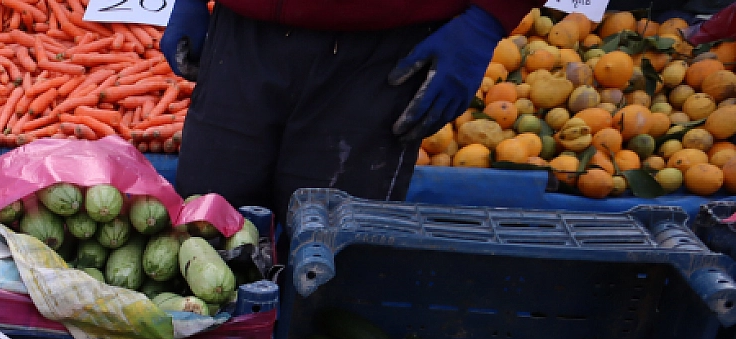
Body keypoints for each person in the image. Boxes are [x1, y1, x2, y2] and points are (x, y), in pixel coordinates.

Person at [162, 0, 535, 215]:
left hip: (382, 49)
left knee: (330, 250)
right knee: (207, 226)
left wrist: (486, 20)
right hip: (243, 33)